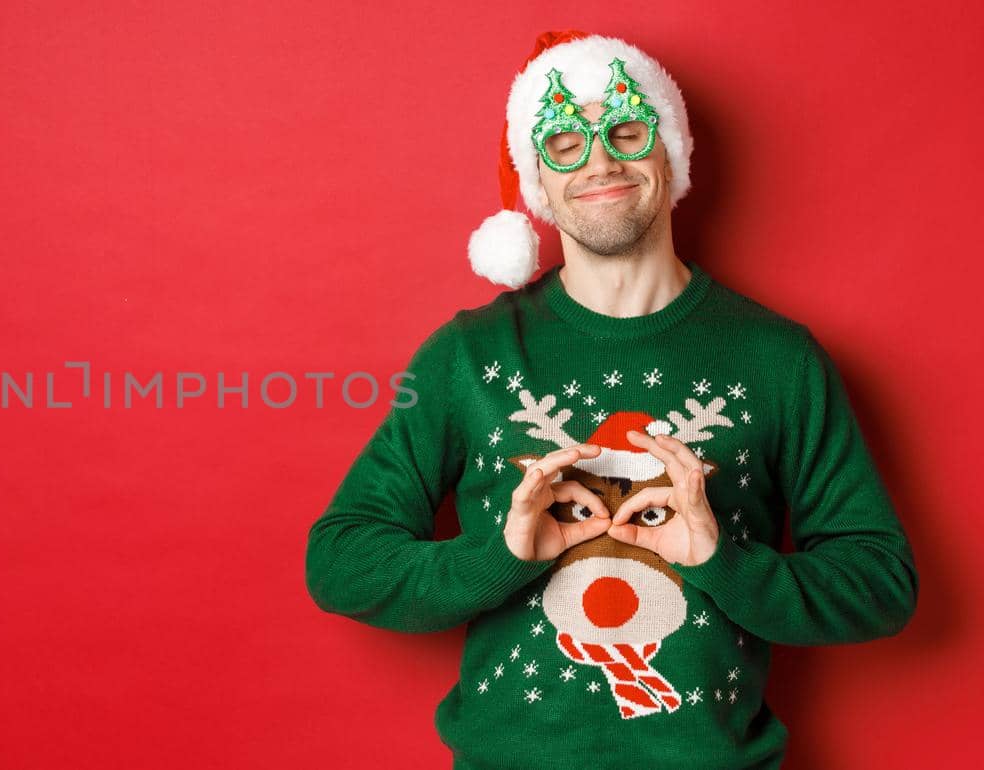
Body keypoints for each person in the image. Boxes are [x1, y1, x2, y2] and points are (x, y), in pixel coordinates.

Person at [303, 31, 918, 770]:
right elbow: (340, 560)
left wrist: (725, 560)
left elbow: (881, 583)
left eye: (627, 130)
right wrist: (498, 555)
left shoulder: (778, 359)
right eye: (565, 142)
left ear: (671, 154)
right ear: (539, 179)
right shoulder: (468, 357)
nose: (600, 161)